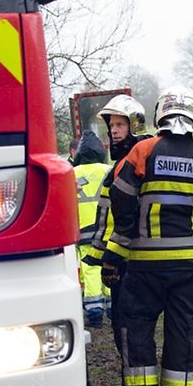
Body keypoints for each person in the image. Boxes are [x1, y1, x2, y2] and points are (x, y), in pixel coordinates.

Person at [100, 86, 193, 386]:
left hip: (145, 267)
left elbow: (122, 200)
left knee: (137, 331)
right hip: (189, 268)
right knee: (181, 335)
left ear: (160, 115)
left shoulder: (143, 151)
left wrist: (115, 252)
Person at [89, 94, 150, 386]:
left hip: (130, 260)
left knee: (127, 329)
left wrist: (112, 258)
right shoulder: (124, 162)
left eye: (120, 124)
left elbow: (127, 217)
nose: (113, 131)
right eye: (111, 125)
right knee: (123, 330)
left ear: (134, 125)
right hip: (124, 257)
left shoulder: (136, 162)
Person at [71, 127, 109, 326]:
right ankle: (112, 306)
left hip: (83, 229)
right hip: (107, 227)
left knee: (90, 267)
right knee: (109, 264)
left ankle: (94, 310)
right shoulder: (108, 171)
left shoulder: (72, 173)